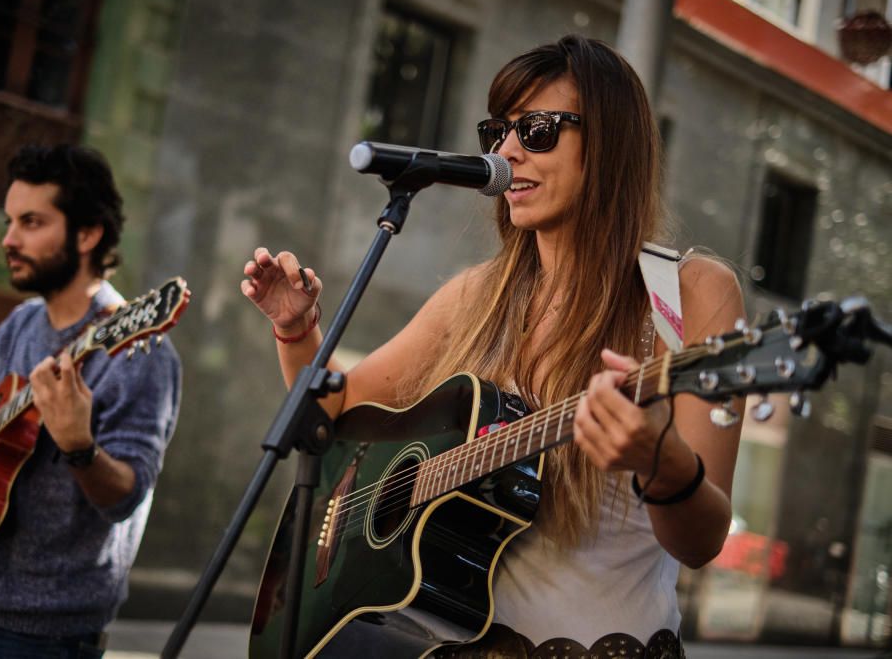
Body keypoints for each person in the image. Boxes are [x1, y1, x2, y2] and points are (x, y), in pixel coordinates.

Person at [244, 35, 746, 657]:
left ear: (611, 144)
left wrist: (658, 459)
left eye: (537, 130)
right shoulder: (474, 297)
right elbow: (332, 421)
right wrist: (296, 330)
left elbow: (701, 543)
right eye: (498, 132)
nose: (506, 152)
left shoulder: (688, 295)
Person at [0, 144, 182, 657]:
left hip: (43, 639)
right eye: (10, 221)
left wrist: (78, 445)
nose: (9, 239)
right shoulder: (24, 322)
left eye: (31, 222)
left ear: (87, 233)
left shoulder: (140, 353)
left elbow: (125, 497)